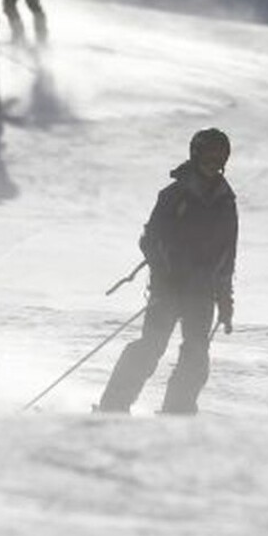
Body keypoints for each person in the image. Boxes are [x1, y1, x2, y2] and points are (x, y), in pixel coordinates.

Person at [96, 129, 238, 415]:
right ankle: (112, 409)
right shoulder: (175, 195)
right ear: (195, 155)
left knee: (196, 354)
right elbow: (149, 240)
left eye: (219, 155)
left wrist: (225, 299)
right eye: (209, 154)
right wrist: (164, 273)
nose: (214, 160)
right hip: (169, 287)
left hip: (202, 292)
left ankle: (177, 412)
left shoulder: (226, 203)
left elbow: (227, 255)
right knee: (151, 347)